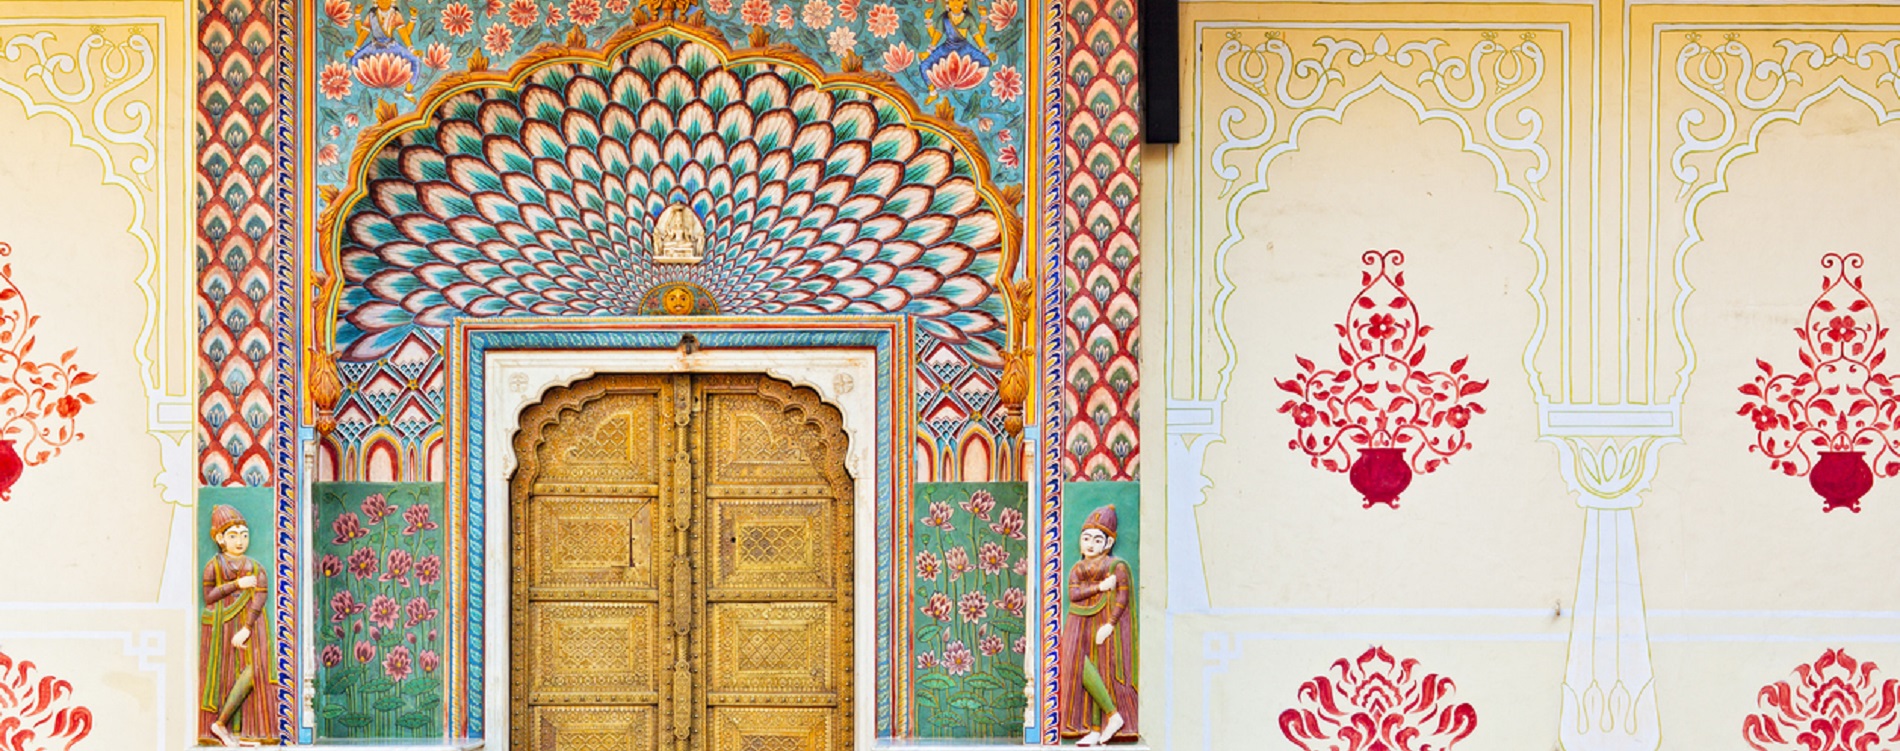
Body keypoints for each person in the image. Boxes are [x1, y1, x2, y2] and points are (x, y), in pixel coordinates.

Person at [1058, 505, 1137, 745]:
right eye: (1086, 538)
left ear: (1108, 543)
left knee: (1102, 669)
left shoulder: (1116, 566)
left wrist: (1111, 625)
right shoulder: (1077, 568)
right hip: (1078, 620)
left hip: (1103, 620)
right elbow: (1074, 594)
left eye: (1097, 539)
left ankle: (1106, 721)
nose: (1090, 544)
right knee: (1077, 666)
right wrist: (1100, 587)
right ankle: (1104, 719)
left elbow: (1122, 598)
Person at [200, 505, 273, 747]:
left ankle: (230, 726)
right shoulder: (214, 565)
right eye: (233, 535)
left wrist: (247, 628)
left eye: (244, 534)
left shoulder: (254, 566)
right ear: (220, 538)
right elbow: (209, 596)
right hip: (222, 626)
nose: (240, 540)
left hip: (249, 626)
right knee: (226, 677)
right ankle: (221, 726)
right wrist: (237, 584)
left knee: (256, 671)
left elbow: (261, 596)